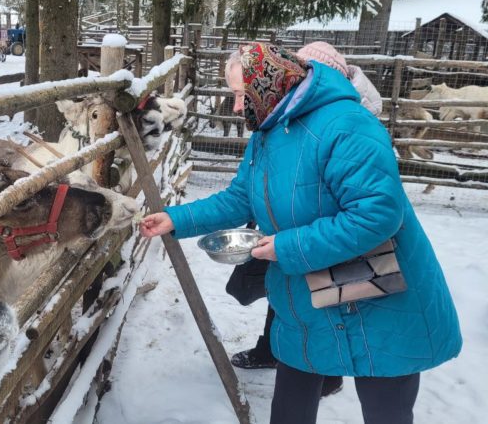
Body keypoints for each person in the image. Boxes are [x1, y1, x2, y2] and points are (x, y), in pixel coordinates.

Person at [139, 42, 462, 424]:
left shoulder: (348, 126)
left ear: (269, 84)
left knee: (385, 412)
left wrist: (287, 246)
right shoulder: (269, 130)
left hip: (382, 297)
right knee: (290, 407)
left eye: (242, 95)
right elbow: (241, 197)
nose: (237, 107)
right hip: (308, 298)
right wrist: (176, 219)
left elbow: (376, 215)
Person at [228, 41, 386, 398]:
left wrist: (289, 240)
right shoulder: (282, 125)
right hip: (300, 242)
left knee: (335, 310)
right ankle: (286, 355)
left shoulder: (347, 122)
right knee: (298, 310)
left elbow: (369, 213)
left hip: (332, 247)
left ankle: (328, 371)